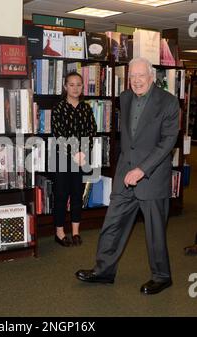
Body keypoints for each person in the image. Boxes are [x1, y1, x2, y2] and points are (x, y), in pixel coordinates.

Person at [75, 57, 180, 295]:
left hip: (151, 177)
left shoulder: (169, 103)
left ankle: (162, 277)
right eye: (132, 76)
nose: (136, 81)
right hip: (125, 175)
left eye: (141, 75)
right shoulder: (125, 98)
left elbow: (167, 143)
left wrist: (142, 169)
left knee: (155, 232)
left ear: (151, 76)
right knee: (112, 224)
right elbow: (130, 140)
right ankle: (103, 271)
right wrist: (126, 168)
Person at [51, 72, 97, 247]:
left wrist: (83, 153)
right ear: (65, 87)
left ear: (82, 87)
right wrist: (75, 153)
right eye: (71, 84)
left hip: (82, 158)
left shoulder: (86, 108)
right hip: (62, 157)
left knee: (77, 195)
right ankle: (60, 232)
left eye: (79, 84)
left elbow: (91, 131)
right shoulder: (59, 108)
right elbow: (59, 134)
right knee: (61, 195)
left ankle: (76, 232)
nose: (75, 88)